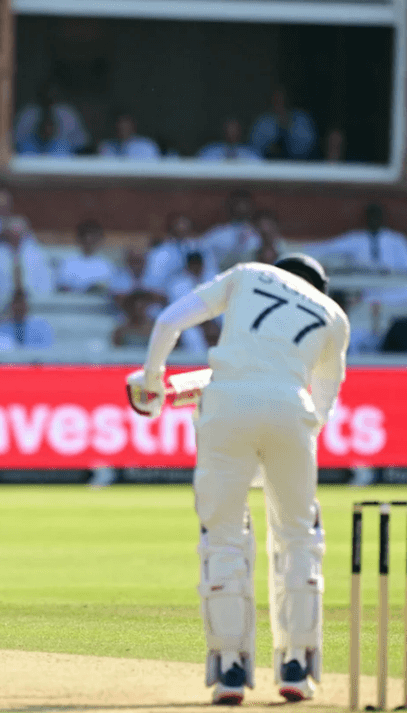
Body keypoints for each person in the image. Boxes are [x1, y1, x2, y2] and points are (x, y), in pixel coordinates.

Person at [133, 254, 349, 705]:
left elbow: (169, 321)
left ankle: (230, 669)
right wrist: (282, 434)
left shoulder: (249, 273)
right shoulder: (333, 315)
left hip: (226, 404)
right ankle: (296, 666)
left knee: (224, 540)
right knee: (298, 537)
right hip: (292, 411)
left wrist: (153, 381)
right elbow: (323, 404)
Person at [309, 203, 407, 275]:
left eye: (376, 217)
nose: (374, 220)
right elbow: (330, 247)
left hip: (393, 289)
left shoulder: (397, 240)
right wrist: (306, 253)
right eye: (371, 217)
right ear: (366, 219)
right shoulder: (356, 239)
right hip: (364, 289)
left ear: (382, 218)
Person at [250, 87, 317, 161]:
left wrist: (288, 126)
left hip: (298, 164)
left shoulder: (301, 119)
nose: (278, 102)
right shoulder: (264, 122)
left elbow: (310, 145)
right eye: (275, 99)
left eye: (281, 99)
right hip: (269, 164)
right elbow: (254, 148)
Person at [56, 221, 116, 293]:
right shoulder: (67, 261)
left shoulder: (107, 265)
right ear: (79, 238)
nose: (88, 240)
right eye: (85, 236)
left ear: (100, 239)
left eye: (93, 237)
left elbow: (111, 288)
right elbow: (62, 286)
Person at [198, 119, 263, 162]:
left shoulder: (251, 154)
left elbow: (261, 169)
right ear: (223, 131)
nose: (232, 133)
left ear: (240, 132)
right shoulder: (209, 152)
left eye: (235, 129)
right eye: (229, 129)